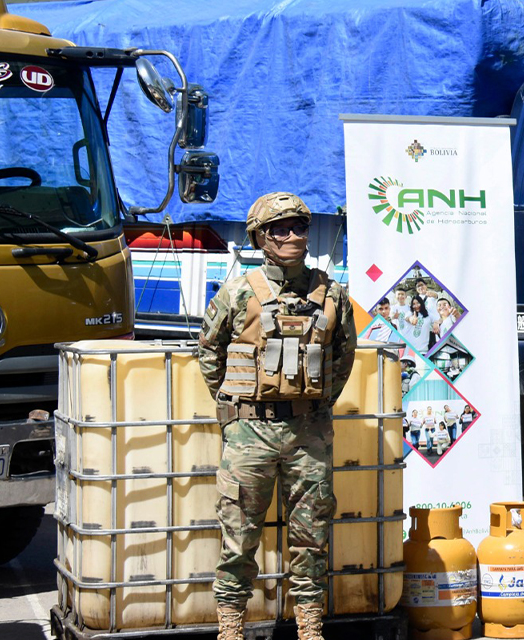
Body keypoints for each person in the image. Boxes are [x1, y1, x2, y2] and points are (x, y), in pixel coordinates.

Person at [198, 192, 356, 640]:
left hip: (309, 432)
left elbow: (343, 356)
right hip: (251, 431)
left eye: (300, 227)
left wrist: (316, 404)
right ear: (260, 238)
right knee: (238, 534)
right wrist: (235, 412)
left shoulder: (332, 293)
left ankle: (309, 626)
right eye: (280, 228)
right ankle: (230, 626)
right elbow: (208, 352)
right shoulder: (238, 291)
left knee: (312, 536)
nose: (292, 236)